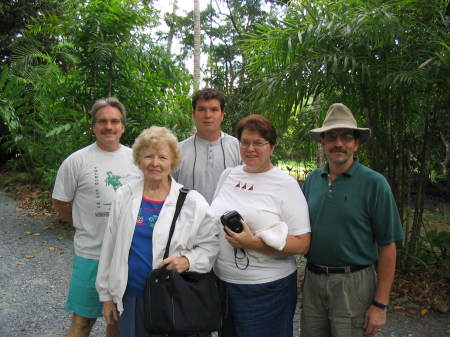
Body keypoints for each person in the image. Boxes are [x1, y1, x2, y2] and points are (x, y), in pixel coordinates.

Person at [96, 126, 219, 337]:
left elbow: (212, 244)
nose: (155, 163)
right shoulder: (124, 195)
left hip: (173, 297)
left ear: (172, 162)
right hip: (132, 297)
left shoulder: (192, 202)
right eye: (148, 156)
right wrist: (107, 296)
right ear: (138, 160)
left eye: (162, 157)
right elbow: (110, 247)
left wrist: (188, 261)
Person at [301, 103, 405, 337]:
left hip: (353, 283)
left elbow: (388, 245)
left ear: (356, 143)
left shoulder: (374, 183)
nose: (339, 143)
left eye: (346, 137)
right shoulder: (312, 180)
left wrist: (380, 305)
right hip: (313, 282)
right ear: (323, 142)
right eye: (331, 137)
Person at [210, 114, 311, 337]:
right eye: (245, 142)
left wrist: (252, 243)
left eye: (258, 143)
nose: (250, 148)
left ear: (272, 147)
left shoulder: (285, 185)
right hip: (223, 285)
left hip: (266, 290)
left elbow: (303, 244)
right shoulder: (228, 175)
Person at [52, 97, 141, 337]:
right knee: (82, 322)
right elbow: (60, 202)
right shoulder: (77, 161)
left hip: (127, 257)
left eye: (114, 121)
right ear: (93, 126)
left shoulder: (138, 160)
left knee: (117, 324)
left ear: (123, 126)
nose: (109, 127)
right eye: (102, 121)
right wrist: (82, 224)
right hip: (91, 255)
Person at [172, 88, 241, 204]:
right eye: (202, 109)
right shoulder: (176, 151)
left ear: (222, 115)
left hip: (227, 221)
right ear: (194, 114)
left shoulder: (239, 148)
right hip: (189, 221)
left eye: (214, 110)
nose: (208, 115)